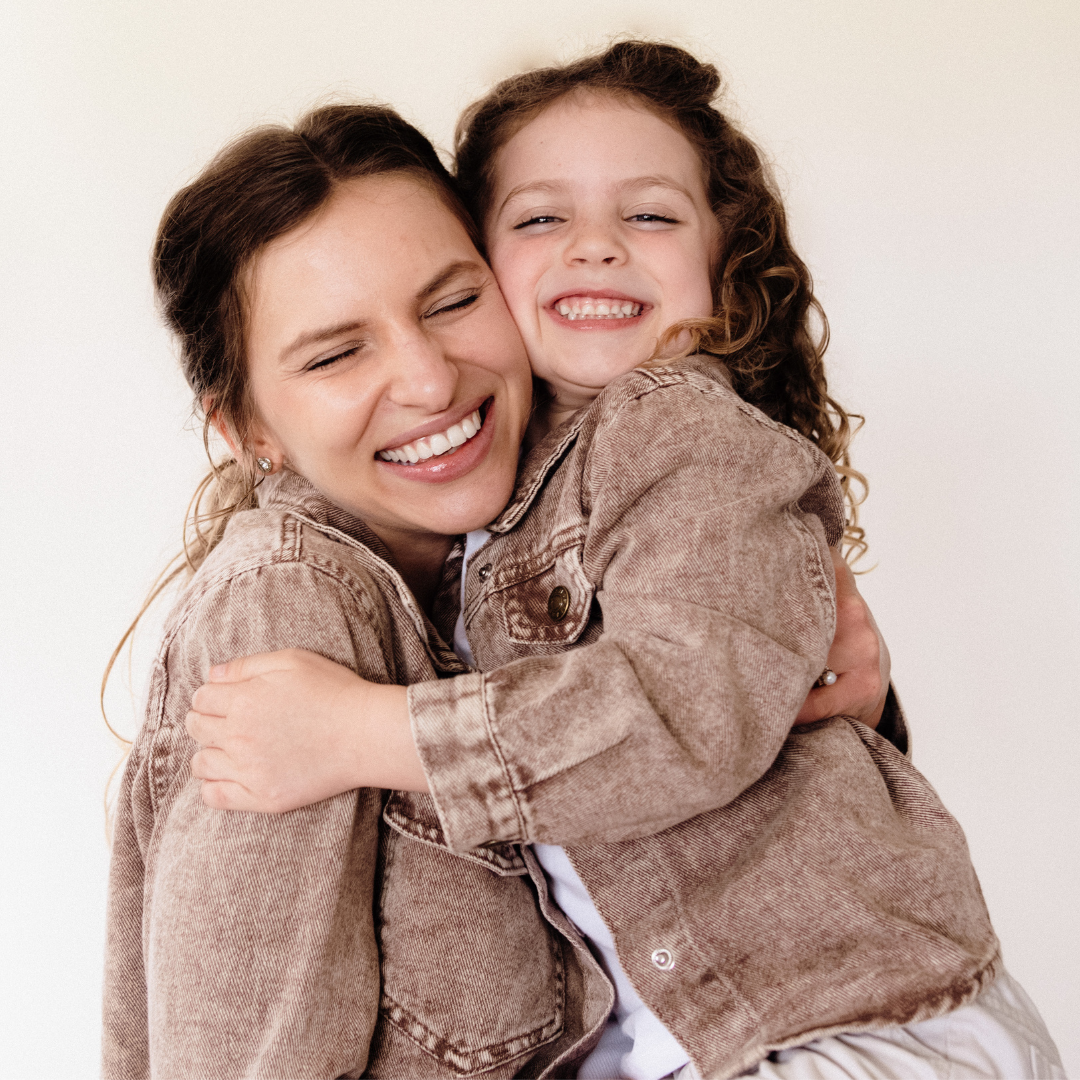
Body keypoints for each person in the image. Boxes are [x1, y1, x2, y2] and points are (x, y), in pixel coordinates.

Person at [188, 43, 1066, 1080]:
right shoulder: (449, 520)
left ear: (722, 258)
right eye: (540, 218)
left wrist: (364, 733)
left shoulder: (675, 424)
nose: (596, 248)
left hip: (840, 1029)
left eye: (649, 215)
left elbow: (681, 708)